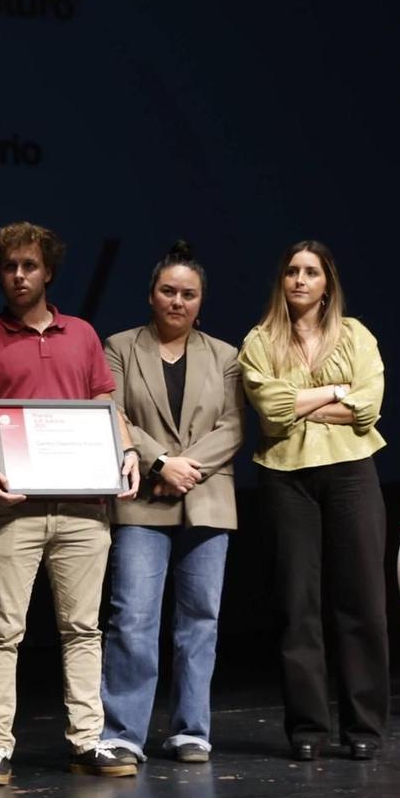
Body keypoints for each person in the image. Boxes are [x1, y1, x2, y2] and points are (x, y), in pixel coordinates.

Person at [0, 222, 140, 785]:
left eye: (29, 265)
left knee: (83, 629)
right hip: (13, 505)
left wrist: (128, 453)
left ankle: (87, 741)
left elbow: (107, 405)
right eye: (10, 267)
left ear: (48, 271)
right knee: (1, 631)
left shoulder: (81, 334)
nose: (19, 276)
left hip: (83, 508)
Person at [237, 240, 388, 761]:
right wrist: (336, 392)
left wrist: (306, 403)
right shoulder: (260, 341)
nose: (300, 280)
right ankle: (308, 728)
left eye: (311, 272)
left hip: (351, 471)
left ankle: (364, 727)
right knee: (296, 604)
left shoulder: (355, 335)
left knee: (361, 599)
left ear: (327, 284)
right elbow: (271, 410)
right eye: (292, 272)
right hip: (286, 477)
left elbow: (369, 406)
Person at [100, 241, 244, 765]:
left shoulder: (225, 355)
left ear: (200, 301)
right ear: (151, 295)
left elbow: (233, 426)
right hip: (142, 498)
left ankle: (190, 730)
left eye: (188, 294)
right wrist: (161, 463)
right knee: (133, 617)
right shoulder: (119, 347)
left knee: (200, 618)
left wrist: (185, 470)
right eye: (168, 291)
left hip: (207, 500)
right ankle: (123, 733)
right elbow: (113, 414)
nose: (177, 301)